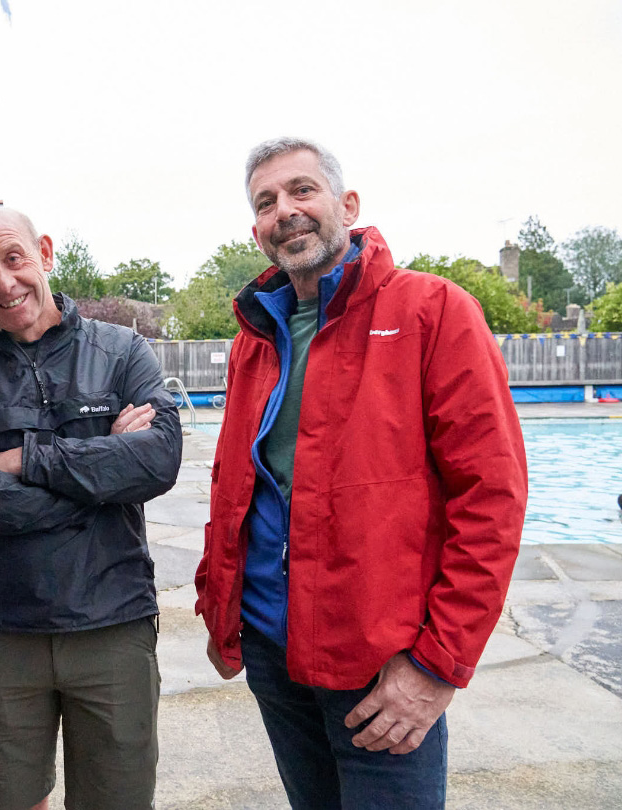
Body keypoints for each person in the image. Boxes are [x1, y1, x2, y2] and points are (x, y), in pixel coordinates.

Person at [195, 137, 528, 809]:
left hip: (382, 665)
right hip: (272, 648)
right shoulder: (253, 342)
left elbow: (492, 499)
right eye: (266, 202)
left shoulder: (433, 313)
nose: (284, 211)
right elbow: (234, 488)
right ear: (257, 231)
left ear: (347, 204)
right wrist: (218, 606)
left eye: (301, 190)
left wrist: (439, 665)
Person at [0, 207, 182, 810]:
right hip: (3, 632)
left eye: (14, 259)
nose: (4, 283)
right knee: (15, 801)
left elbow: (158, 462)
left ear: (44, 252)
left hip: (113, 623)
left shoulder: (122, 352)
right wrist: (98, 471)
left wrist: (22, 460)